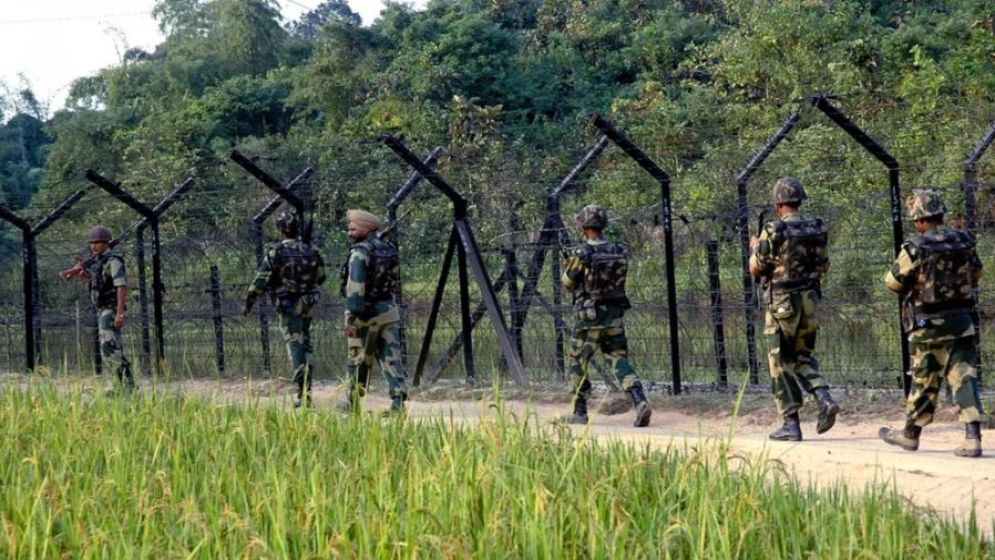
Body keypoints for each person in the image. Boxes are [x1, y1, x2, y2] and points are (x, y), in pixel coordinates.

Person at [879, 189, 984, 458]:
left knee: (924, 379)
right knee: (964, 377)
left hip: (927, 325)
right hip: (961, 321)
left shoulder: (915, 247)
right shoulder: (963, 241)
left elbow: (893, 282)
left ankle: (910, 434)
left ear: (921, 219)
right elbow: (977, 273)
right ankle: (972, 438)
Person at [750, 177, 839, 441]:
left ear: (778, 205)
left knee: (780, 361)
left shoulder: (774, 230)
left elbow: (756, 268)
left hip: (782, 303)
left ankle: (791, 422)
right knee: (803, 356)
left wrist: (754, 249)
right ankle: (824, 398)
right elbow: (824, 266)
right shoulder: (815, 228)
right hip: (809, 299)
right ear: (799, 200)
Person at [560, 204, 651, 427]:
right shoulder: (618, 250)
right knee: (619, 359)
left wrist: (569, 265)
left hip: (588, 318)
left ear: (584, 226)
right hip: (614, 315)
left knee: (578, 361)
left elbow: (568, 283)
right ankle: (640, 401)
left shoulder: (582, 253)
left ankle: (580, 411)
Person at [242, 211, 325, 407]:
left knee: (295, 347)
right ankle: (307, 389)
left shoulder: (276, 252)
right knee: (306, 345)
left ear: (280, 229)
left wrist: (248, 304)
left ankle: (303, 393)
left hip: (288, 306)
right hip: (307, 304)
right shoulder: (311, 250)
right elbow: (321, 277)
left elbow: (259, 282)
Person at [339, 209, 409, 414]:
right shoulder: (389, 249)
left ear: (366, 228)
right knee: (391, 357)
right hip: (387, 310)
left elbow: (355, 286)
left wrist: (354, 314)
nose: (349, 233)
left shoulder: (360, 252)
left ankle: (353, 402)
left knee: (357, 358)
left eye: (353, 229)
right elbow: (393, 280)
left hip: (363, 314)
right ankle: (398, 401)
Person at [61, 226, 135, 393]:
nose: (93, 246)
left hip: (111, 309)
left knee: (110, 349)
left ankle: (127, 387)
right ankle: (122, 387)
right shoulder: (100, 261)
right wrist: (86, 278)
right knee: (107, 350)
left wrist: (120, 313)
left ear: (106, 243)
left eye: (98, 242)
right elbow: (99, 286)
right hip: (102, 309)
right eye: (91, 243)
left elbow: (121, 286)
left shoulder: (113, 260)